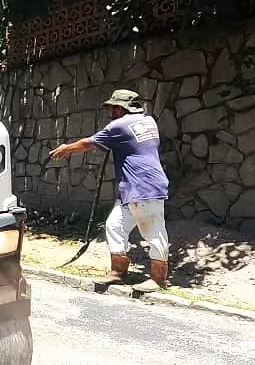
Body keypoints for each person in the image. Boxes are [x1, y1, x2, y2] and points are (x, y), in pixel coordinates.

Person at [48, 88, 171, 292]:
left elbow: (89, 143)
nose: (109, 112)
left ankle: (158, 278)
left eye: (112, 108)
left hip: (142, 187)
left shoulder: (119, 125)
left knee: (153, 231)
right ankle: (118, 272)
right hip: (134, 187)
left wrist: (65, 149)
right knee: (114, 225)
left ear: (121, 108)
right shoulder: (148, 121)